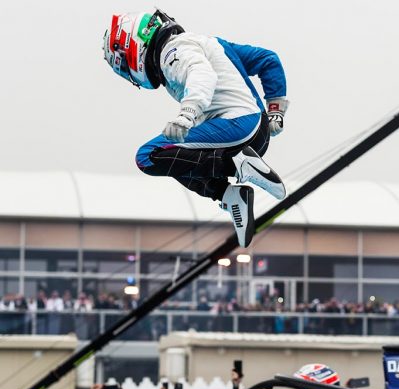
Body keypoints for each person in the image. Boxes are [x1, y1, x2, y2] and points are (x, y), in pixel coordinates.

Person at [102, 9, 288, 247]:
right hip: (256, 133)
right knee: (175, 158)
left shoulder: (171, 52)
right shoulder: (208, 43)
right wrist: (275, 110)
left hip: (238, 127)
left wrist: (187, 114)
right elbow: (268, 60)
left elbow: (202, 75)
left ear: (133, 47)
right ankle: (229, 195)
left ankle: (238, 165)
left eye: (123, 64)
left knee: (148, 156)